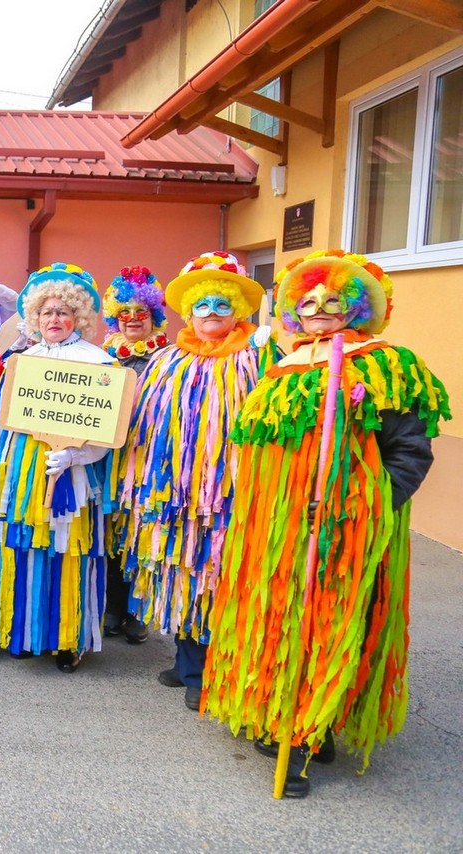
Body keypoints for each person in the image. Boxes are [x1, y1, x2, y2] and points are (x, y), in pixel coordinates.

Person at [204, 249, 450, 798]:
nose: (318, 309)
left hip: (343, 528)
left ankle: (308, 732)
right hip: (273, 531)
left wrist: (357, 506)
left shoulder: (386, 364)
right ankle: (275, 712)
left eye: (332, 301)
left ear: (356, 308)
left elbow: (408, 453)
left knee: (329, 622)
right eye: (307, 301)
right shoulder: (284, 369)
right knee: (276, 618)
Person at [109, 253, 270, 706]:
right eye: (203, 305)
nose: (212, 315)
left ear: (237, 310)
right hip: (169, 495)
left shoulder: (256, 363)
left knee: (215, 575)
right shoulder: (165, 361)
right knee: (177, 572)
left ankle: (212, 672)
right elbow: (139, 423)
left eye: (222, 305)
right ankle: (187, 661)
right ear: (189, 311)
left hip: (227, 497)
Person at [0, 263, 115, 672]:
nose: (54, 319)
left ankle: (68, 640)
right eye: (46, 312)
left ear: (78, 317)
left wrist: (78, 456)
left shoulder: (98, 363)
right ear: (35, 318)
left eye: (62, 312)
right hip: (22, 475)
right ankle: (25, 634)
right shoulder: (21, 361)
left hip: (69, 476)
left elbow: (107, 430)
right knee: (22, 550)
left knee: (68, 551)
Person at [100, 265, 169, 645]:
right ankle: (112, 609)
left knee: (143, 535)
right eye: (124, 314)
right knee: (112, 534)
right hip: (111, 459)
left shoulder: (168, 359)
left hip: (151, 461)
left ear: (153, 316)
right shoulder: (103, 356)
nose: (132, 321)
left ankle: (137, 612)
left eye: (140, 314)